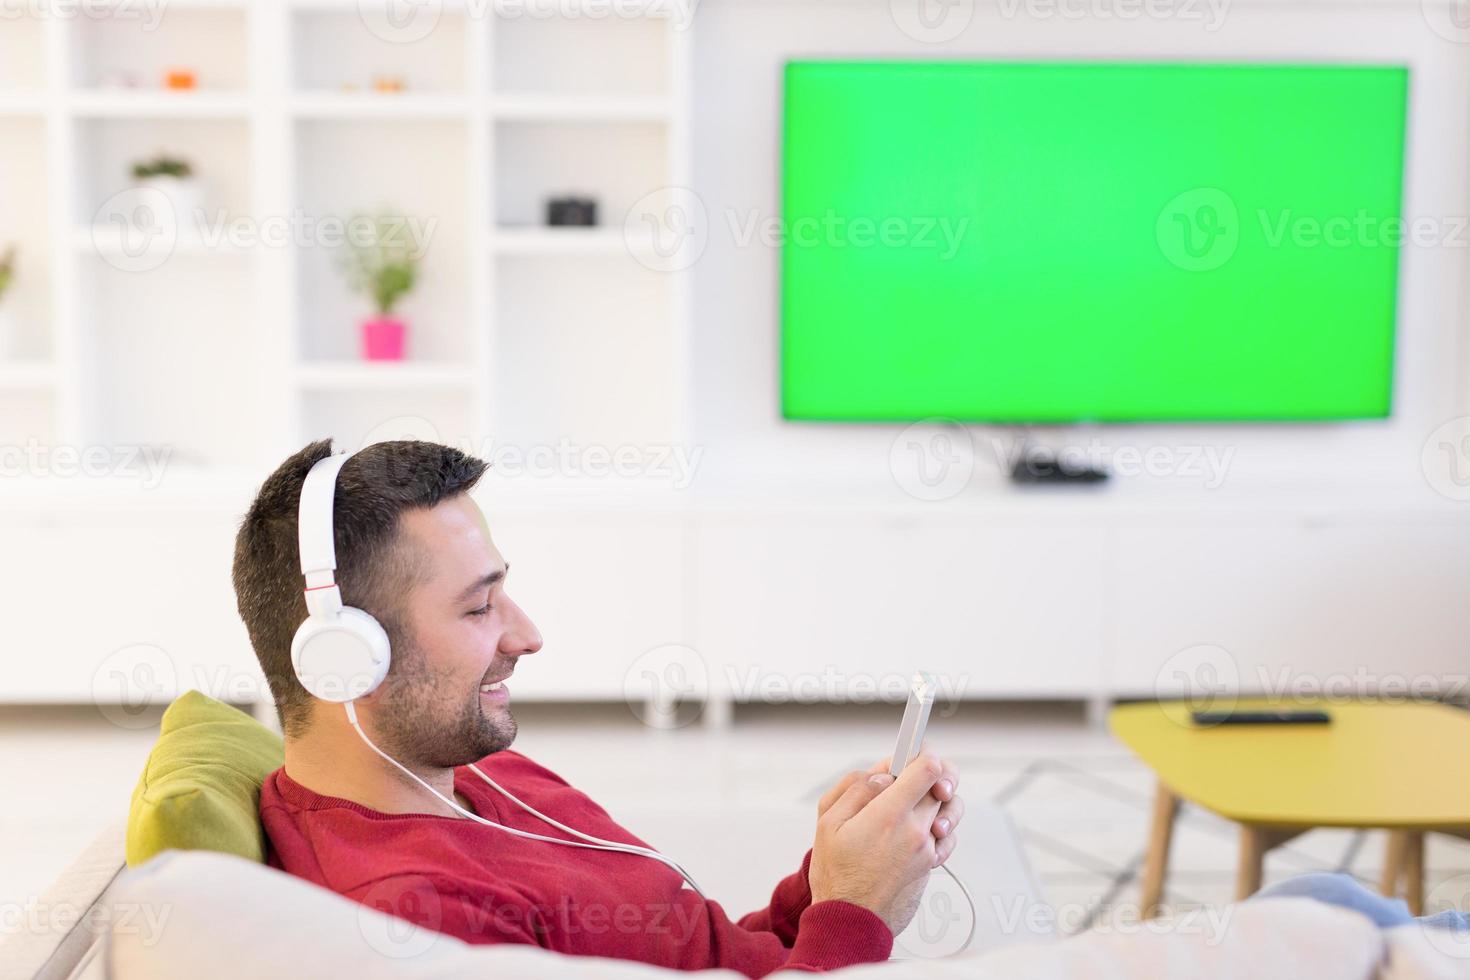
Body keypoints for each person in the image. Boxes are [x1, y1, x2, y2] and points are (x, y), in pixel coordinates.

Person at [231, 439, 966, 978]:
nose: (527, 636)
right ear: (347, 660)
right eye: (479, 606)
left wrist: (829, 885)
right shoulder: (422, 919)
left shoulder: (469, 769)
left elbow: (701, 956)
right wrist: (856, 917)